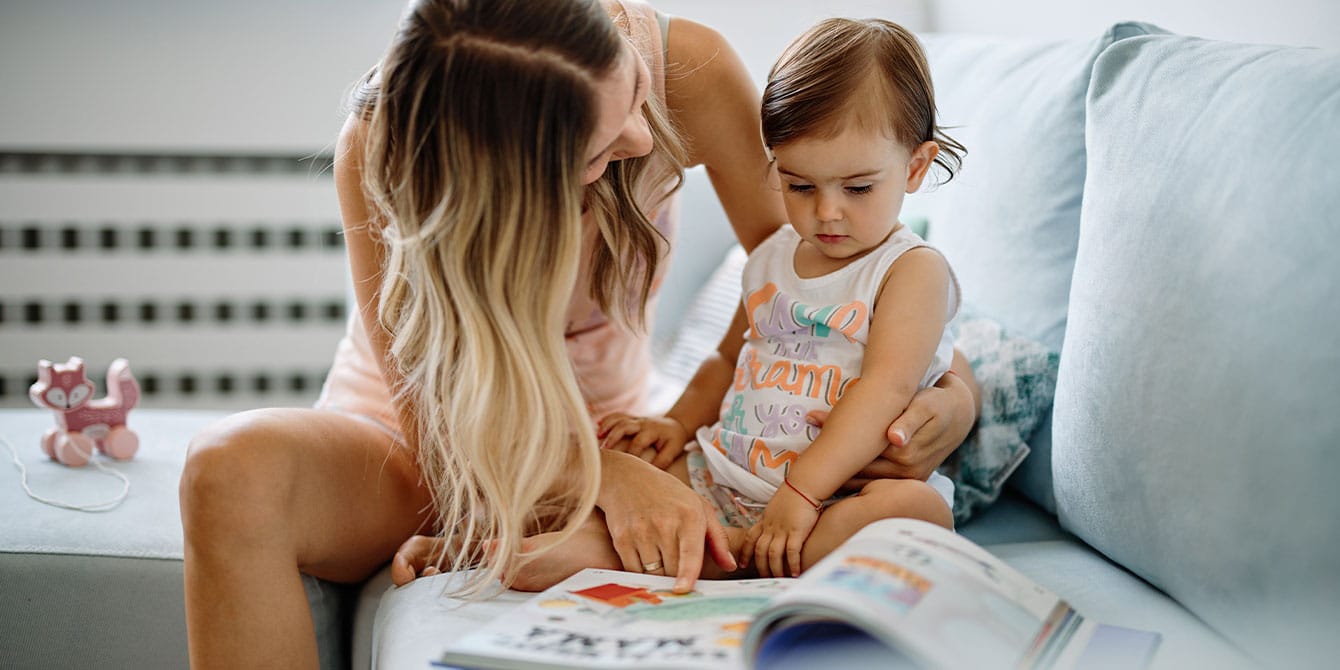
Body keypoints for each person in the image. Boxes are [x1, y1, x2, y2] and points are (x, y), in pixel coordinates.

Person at [178, 1, 979, 666]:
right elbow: (434, 416)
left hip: (621, 433)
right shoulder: (385, 145)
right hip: (435, 440)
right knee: (228, 470)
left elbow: (825, 288)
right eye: (599, 149)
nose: (640, 138)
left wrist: (955, 394)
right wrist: (602, 476)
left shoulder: (688, 69)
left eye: (634, 92)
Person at [491, 16, 967, 584]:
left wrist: (801, 491)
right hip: (725, 471)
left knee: (918, 512)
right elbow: (727, 360)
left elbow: (885, 388)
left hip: (830, 495)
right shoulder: (771, 258)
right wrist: (674, 425)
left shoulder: (910, 271)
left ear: (914, 167)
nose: (827, 212)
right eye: (799, 185)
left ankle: (714, 552)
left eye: (858, 188)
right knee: (627, 473)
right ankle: (514, 547)